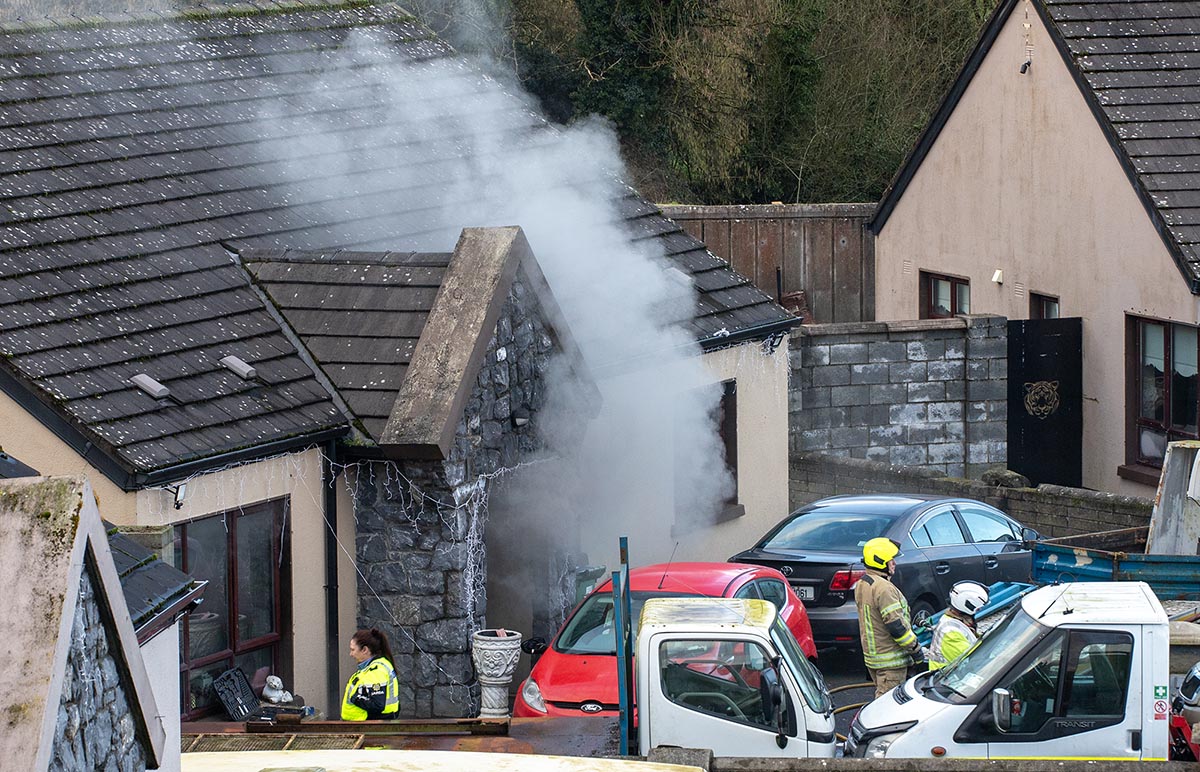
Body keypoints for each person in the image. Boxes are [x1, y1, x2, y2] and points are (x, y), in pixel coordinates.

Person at [855, 537, 924, 697]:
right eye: (891, 560)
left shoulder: (864, 583)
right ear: (880, 562)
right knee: (888, 706)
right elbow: (896, 626)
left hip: (875, 658)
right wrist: (916, 650)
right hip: (891, 662)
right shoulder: (884, 589)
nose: (894, 563)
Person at [341, 628, 400, 720]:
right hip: (369, 725)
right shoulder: (375, 666)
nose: (351, 654)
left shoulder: (376, 670)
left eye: (353, 650)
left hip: (369, 725)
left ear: (364, 650)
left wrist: (355, 698)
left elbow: (377, 705)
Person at [928, 581, 989, 671]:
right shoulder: (951, 632)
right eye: (978, 608)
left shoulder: (956, 620)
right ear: (968, 606)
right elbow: (974, 659)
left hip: (951, 674)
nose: (979, 610)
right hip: (946, 678)